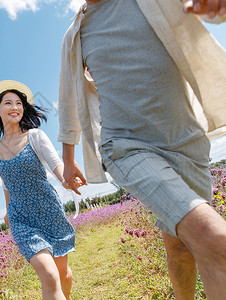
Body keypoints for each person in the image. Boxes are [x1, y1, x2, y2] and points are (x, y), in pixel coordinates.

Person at [57, 0, 226, 298]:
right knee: (214, 240)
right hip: (125, 146)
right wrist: (68, 160)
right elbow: (69, 99)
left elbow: (202, 10)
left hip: (187, 140)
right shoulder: (76, 34)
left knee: (180, 246)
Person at [0, 80, 83, 300]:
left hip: (49, 212)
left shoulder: (35, 136)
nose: (15, 107)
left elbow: (56, 164)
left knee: (62, 275)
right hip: (22, 219)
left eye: (19, 103)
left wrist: (67, 179)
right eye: (8, 103)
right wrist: (8, 210)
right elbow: (6, 184)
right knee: (49, 275)